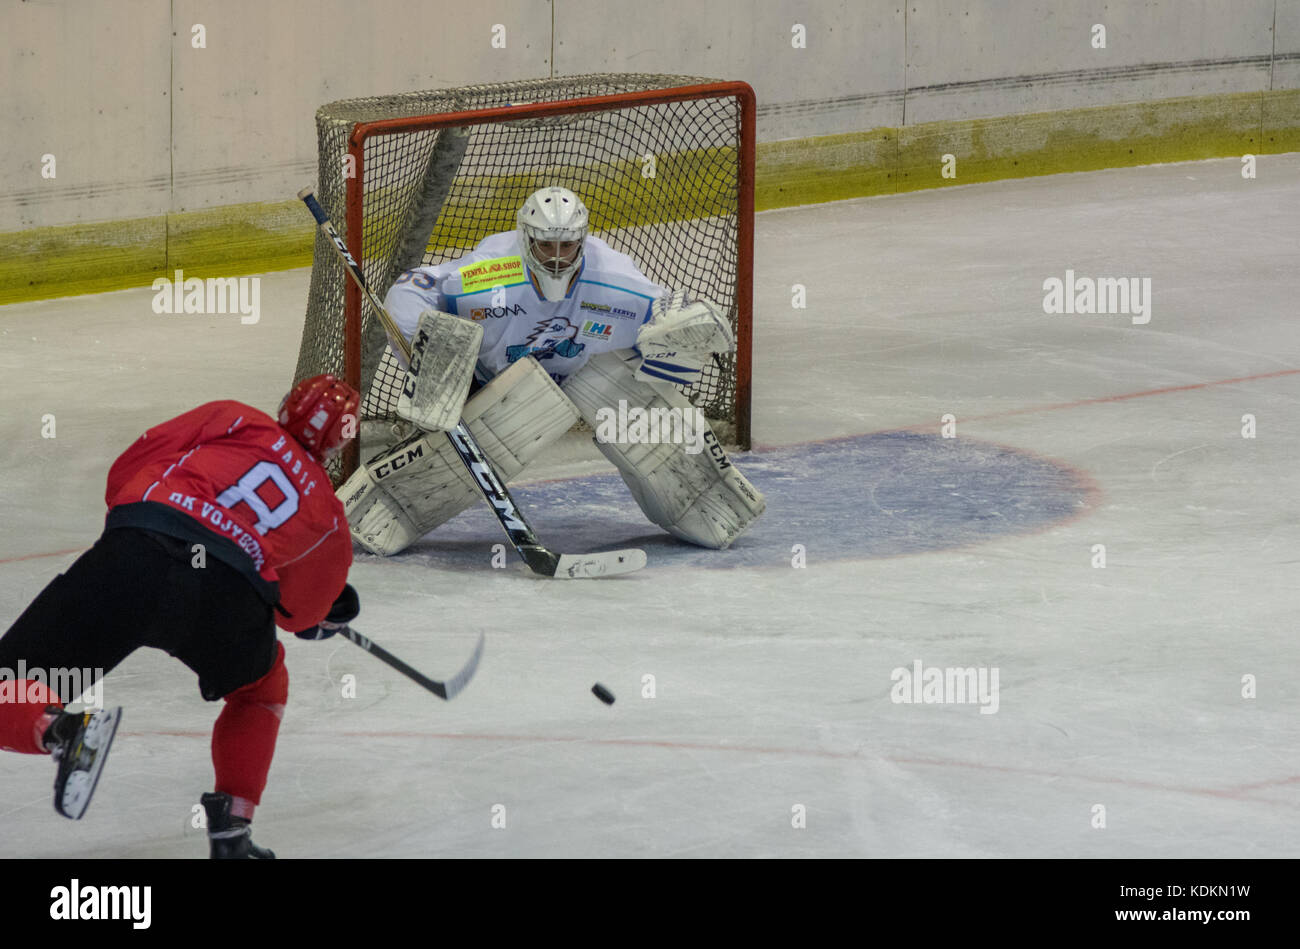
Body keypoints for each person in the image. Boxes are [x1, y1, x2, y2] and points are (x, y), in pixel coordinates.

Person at [0, 375, 361, 858]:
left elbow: (125, 470)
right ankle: (233, 833)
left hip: (139, 552)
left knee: (11, 682)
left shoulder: (234, 417)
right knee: (260, 692)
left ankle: (62, 732)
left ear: (287, 405)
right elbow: (302, 615)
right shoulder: (329, 516)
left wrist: (148, 530)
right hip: (224, 596)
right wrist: (322, 619)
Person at [341, 186, 765, 556]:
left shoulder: (614, 277)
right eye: (547, 246)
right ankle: (379, 508)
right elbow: (411, 288)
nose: (558, 258)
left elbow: (668, 311)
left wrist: (689, 324)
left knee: (639, 409)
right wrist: (433, 357)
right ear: (527, 239)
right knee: (483, 439)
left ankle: (702, 504)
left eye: (567, 246)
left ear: (582, 239)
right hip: (497, 386)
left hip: (582, 374)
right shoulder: (487, 274)